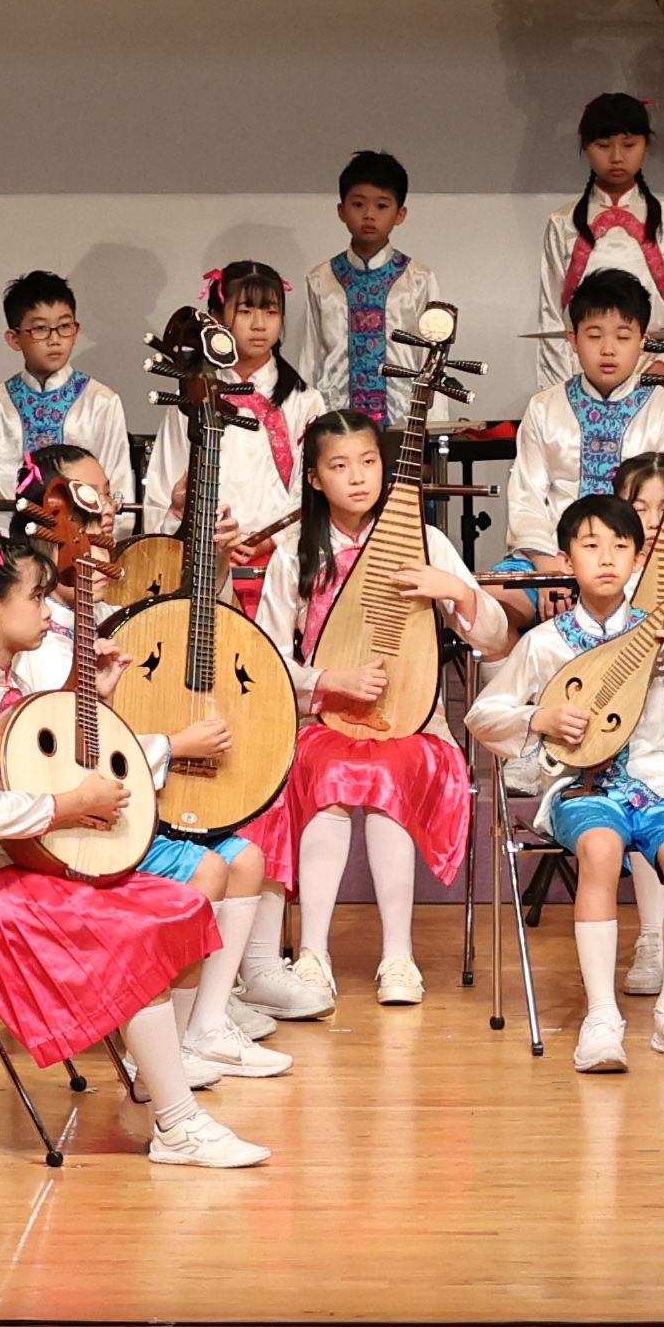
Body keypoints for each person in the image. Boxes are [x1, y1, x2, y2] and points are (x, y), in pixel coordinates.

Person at [0, 532, 263, 1168]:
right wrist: (74, 803)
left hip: (24, 856)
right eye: (37, 597)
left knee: (181, 909)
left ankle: (161, 1088)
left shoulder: (11, 678)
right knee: (135, 933)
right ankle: (177, 1123)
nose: (48, 610)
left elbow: (34, 757)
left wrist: (90, 695)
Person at [465, 490, 664, 1071]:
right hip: (578, 785)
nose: (606, 557)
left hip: (657, 778)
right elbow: (483, 716)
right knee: (602, 849)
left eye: (620, 545)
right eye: (590, 545)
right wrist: (540, 717)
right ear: (565, 560)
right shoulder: (546, 642)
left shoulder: (662, 632)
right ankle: (602, 1016)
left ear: (638, 559)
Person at [258, 404, 508, 1014]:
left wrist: (457, 591)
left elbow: (497, 638)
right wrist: (328, 679)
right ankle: (312, 954)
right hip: (322, 722)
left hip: (415, 726)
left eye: (369, 462)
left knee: (387, 774)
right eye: (340, 466)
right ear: (315, 478)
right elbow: (263, 661)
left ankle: (398, 955)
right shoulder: (294, 553)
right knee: (329, 773)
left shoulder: (427, 542)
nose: (358, 477)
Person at [501, 272, 664, 573]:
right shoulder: (544, 408)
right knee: (498, 595)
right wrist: (548, 565)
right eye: (593, 336)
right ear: (573, 340)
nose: (608, 349)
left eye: (623, 337)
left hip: (637, 561)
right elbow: (527, 498)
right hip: (555, 556)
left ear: (643, 342)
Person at [0, 271, 150, 539]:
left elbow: (118, 486)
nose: (54, 339)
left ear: (76, 331)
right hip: (10, 547)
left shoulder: (100, 401)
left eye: (64, 326)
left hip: (85, 544)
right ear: (14, 338)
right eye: (41, 329)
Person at [191, 260, 320, 594]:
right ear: (216, 318)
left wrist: (271, 540)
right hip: (204, 561)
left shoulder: (304, 400)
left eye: (271, 312)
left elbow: (311, 489)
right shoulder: (193, 394)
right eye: (245, 311)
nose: (259, 324)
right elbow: (167, 484)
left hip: (280, 562)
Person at [536, 92, 664, 367]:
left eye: (629, 145)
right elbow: (551, 314)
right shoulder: (563, 222)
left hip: (656, 369)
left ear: (646, 145)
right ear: (586, 147)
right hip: (582, 368)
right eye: (603, 145)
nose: (617, 157)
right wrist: (566, 384)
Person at [311, 151, 459, 421]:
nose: (369, 215)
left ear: (400, 214)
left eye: (381, 206)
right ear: (341, 210)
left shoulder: (419, 279)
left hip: (402, 418)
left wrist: (433, 432)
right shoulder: (321, 279)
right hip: (337, 421)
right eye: (358, 204)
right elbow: (310, 358)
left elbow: (434, 359)